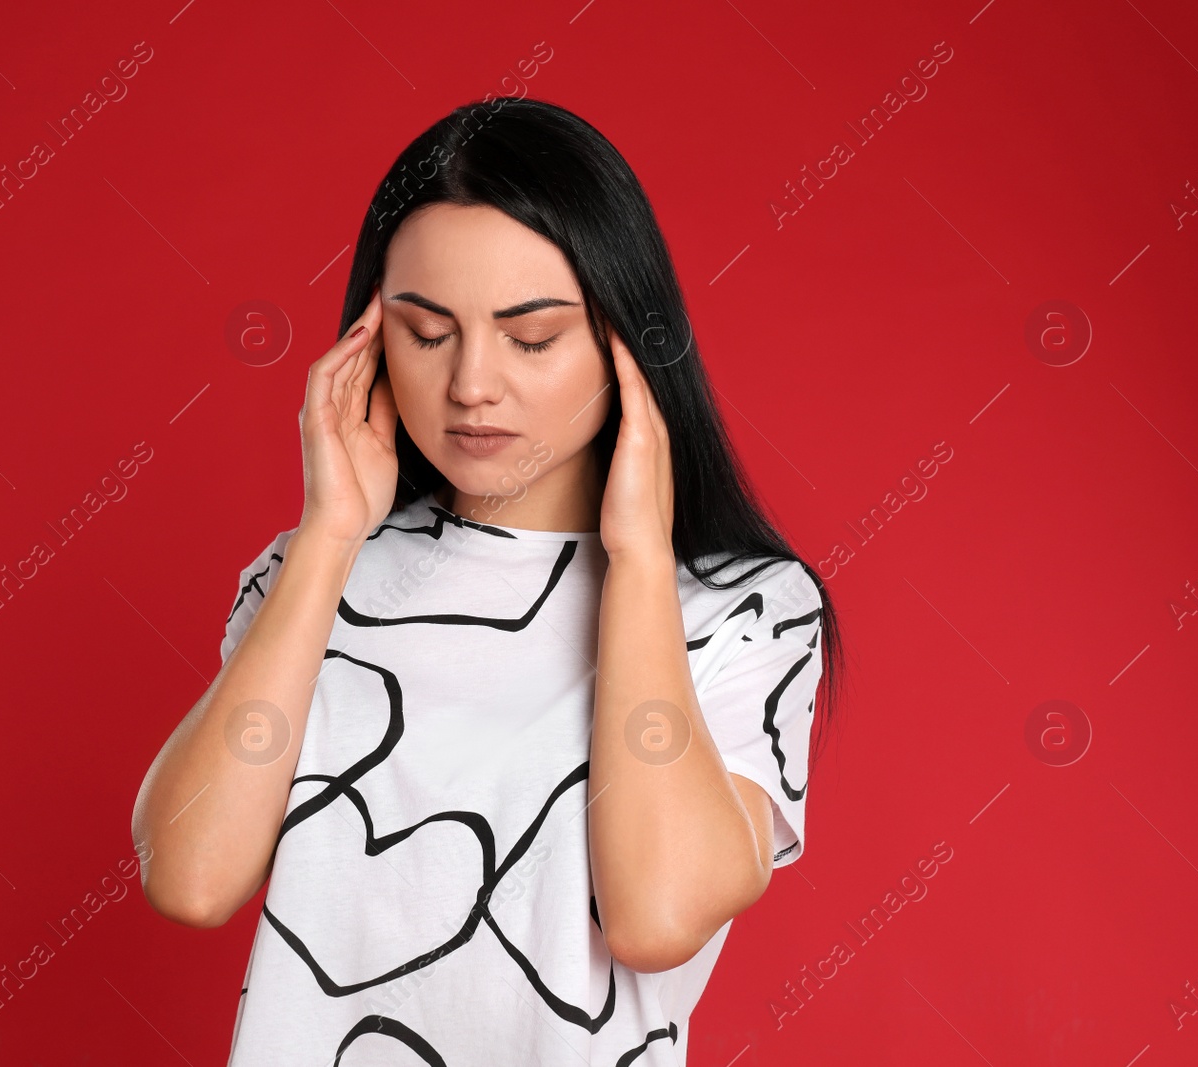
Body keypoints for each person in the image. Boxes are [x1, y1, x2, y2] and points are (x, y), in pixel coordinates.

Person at [131, 96, 846, 1065]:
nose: (471, 383)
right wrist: (331, 531)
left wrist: (636, 558)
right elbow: (190, 875)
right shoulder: (309, 573)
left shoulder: (741, 609)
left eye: (531, 337)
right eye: (427, 332)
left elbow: (655, 914)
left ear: (624, 341)